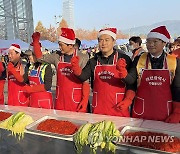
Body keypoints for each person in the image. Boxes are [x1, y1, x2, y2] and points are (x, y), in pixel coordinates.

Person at [71, 28, 135, 117]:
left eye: (107, 40)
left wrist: (128, 99)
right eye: (100, 40)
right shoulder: (93, 61)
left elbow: (132, 82)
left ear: (113, 42)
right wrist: (76, 68)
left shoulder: (124, 59)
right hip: (99, 107)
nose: (103, 43)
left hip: (119, 107)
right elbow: (83, 77)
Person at [130, 26, 180, 123]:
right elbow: (131, 82)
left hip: (165, 111)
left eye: (155, 41)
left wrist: (177, 112)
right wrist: (123, 73)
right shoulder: (139, 59)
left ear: (164, 43)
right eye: (148, 41)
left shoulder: (174, 62)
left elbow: (177, 89)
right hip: (142, 109)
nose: (151, 44)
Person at [32, 28, 90, 112]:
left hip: (76, 101)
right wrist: (36, 43)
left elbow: (86, 82)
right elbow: (40, 58)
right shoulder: (57, 56)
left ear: (70, 45)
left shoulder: (82, 57)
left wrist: (84, 101)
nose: (59, 47)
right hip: (60, 100)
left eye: (61, 45)